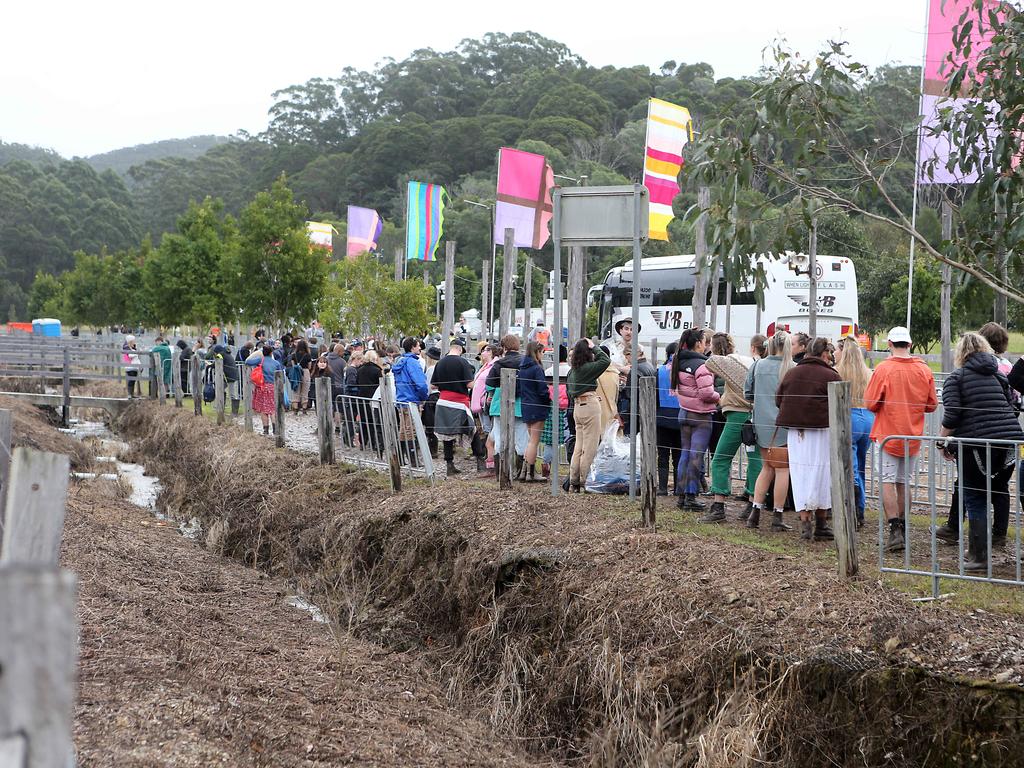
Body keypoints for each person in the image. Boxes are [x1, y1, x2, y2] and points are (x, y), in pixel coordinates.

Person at [938, 333, 1024, 572]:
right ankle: (988, 542)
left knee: (974, 495)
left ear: (960, 353)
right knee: (996, 489)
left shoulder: (957, 378)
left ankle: (980, 555)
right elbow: (1011, 406)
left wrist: (941, 442)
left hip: (977, 444)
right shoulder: (998, 375)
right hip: (1010, 442)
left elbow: (952, 415)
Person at [863, 326, 938, 553]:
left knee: (887, 480)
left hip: (888, 434)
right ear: (910, 344)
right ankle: (902, 528)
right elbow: (932, 404)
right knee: (904, 482)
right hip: (912, 435)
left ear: (889, 344)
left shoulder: (884, 368)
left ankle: (894, 529)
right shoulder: (924, 370)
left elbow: (870, 403)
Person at [775, 337, 840, 541]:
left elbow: (779, 399)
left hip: (797, 432)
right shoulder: (831, 376)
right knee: (822, 473)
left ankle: (805, 523)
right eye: (829, 353)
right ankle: (820, 522)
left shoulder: (791, 374)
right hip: (821, 431)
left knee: (801, 473)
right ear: (823, 354)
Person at [704, 333, 762, 524]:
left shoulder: (729, 362)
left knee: (720, 458)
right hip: (757, 416)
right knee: (755, 460)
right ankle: (753, 504)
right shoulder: (754, 362)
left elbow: (710, 363)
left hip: (737, 415)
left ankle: (719, 505)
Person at [744, 331, 794, 532]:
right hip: (784, 426)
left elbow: (748, 393)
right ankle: (777, 515)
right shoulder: (791, 368)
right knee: (783, 470)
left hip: (762, 425)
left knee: (767, 468)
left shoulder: (757, 365)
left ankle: (755, 511)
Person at [672, 328, 719, 512]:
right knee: (696, 456)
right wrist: (719, 397)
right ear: (699, 344)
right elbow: (706, 393)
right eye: (704, 341)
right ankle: (691, 497)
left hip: (684, 413)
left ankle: (681, 494)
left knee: (685, 454)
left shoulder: (678, 360)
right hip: (700, 416)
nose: (706, 343)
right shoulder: (702, 365)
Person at [835, 335, 874, 527]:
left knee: (849, 465)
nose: (834, 353)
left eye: (837, 349)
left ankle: (853, 503)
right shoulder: (868, 372)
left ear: (843, 352)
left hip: (849, 415)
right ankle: (861, 507)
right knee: (859, 464)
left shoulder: (838, 371)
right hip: (867, 417)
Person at [432, 339, 484, 476]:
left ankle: (449, 464)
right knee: (473, 431)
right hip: (460, 403)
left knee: (447, 434)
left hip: (443, 401)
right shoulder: (463, 362)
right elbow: (470, 384)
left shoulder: (440, 362)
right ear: (460, 349)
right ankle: (480, 462)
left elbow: (433, 385)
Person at [566, 340, 611, 492]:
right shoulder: (587, 369)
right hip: (590, 405)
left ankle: (574, 480)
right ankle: (585, 480)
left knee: (579, 446)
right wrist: (595, 347)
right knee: (590, 446)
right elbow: (605, 360)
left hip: (578, 407)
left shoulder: (573, 371)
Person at [485, 335, 528, 477]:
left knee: (499, 438)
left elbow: (489, 385)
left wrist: (494, 393)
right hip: (521, 405)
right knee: (522, 439)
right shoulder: (526, 362)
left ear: (504, 348)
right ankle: (520, 471)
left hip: (500, 405)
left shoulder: (498, 364)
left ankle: (501, 472)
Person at [517, 341, 552, 481]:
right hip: (537, 406)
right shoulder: (536, 369)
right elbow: (542, 389)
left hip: (526, 405)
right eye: (542, 352)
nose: (542, 355)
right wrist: (547, 400)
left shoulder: (522, 368)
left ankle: (524, 471)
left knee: (530, 440)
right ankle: (531, 473)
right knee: (534, 441)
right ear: (537, 352)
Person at [392, 337, 429, 465]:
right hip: (412, 400)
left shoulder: (399, 361)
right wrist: (423, 397)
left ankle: (401, 459)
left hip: (401, 399)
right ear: (412, 347)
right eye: (418, 346)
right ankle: (413, 460)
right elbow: (420, 383)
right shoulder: (413, 362)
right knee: (411, 430)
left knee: (404, 430)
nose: (420, 348)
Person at [541, 344, 570, 480]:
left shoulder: (549, 371)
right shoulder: (571, 371)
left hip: (553, 406)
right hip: (569, 406)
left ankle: (546, 464)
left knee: (550, 440)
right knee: (570, 437)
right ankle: (572, 468)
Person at [656, 342, 681, 496]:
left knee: (663, 455)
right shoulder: (683, 371)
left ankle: (663, 488)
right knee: (678, 454)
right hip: (680, 416)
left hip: (662, 417)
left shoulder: (659, 371)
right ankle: (678, 488)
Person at [472, 343, 500, 477]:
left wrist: (487, 397)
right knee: (487, 431)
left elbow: (490, 384)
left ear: (491, 352)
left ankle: (492, 465)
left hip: (487, 404)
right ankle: (490, 464)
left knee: (491, 434)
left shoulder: (494, 366)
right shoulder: (485, 366)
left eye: (485, 350)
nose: (482, 353)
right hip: (481, 405)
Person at [245, 343, 285, 435]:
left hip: (261, 387)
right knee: (272, 409)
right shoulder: (276, 363)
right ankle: (275, 429)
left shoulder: (260, 360)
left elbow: (247, 362)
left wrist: (257, 354)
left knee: (263, 410)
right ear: (271, 353)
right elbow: (281, 378)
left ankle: (265, 430)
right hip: (273, 387)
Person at [326, 343, 347, 434]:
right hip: (339, 387)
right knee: (338, 408)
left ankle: (327, 424)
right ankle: (338, 426)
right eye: (343, 352)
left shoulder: (326, 360)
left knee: (328, 406)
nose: (343, 354)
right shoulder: (342, 362)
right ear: (339, 351)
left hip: (327, 386)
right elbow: (344, 375)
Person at [290, 339, 313, 414]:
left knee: (296, 390)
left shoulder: (294, 355)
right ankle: (304, 408)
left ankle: (295, 409)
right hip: (305, 372)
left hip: (296, 372)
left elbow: (293, 365)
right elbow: (309, 366)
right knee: (305, 391)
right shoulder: (308, 355)